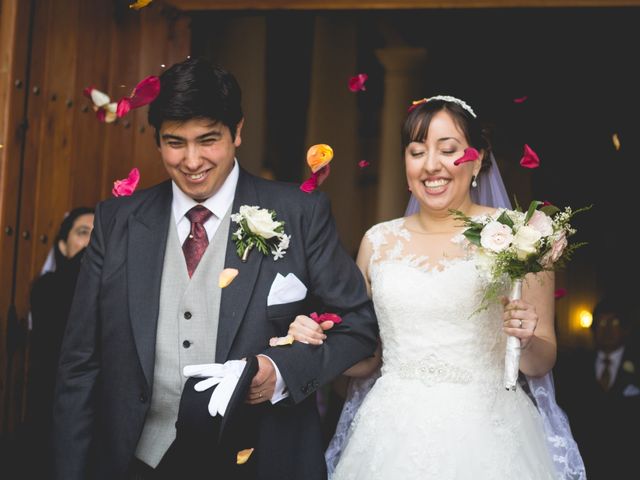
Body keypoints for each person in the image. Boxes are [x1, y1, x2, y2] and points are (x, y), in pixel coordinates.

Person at [52, 57, 378, 480]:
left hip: (258, 460)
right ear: (156, 140)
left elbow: (358, 327)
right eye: (174, 142)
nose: (191, 161)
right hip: (135, 461)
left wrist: (281, 371)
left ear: (237, 132)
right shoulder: (117, 222)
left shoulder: (300, 212)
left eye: (208, 140)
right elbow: (79, 366)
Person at [287, 96, 586, 479]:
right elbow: (366, 356)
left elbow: (542, 359)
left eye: (449, 151)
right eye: (416, 152)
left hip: (488, 432)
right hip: (389, 434)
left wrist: (526, 339)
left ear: (477, 160)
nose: (431, 166)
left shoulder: (520, 235)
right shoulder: (377, 242)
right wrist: (322, 341)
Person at [21, 207, 94, 478]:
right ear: (63, 245)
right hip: (49, 408)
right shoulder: (47, 287)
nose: (90, 241)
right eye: (83, 233)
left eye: (98, 236)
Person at [555, 297, 640, 479]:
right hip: (586, 461)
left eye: (614, 322)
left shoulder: (637, 366)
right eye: (601, 322)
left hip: (629, 462)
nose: (607, 328)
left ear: (626, 329)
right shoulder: (575, 365)